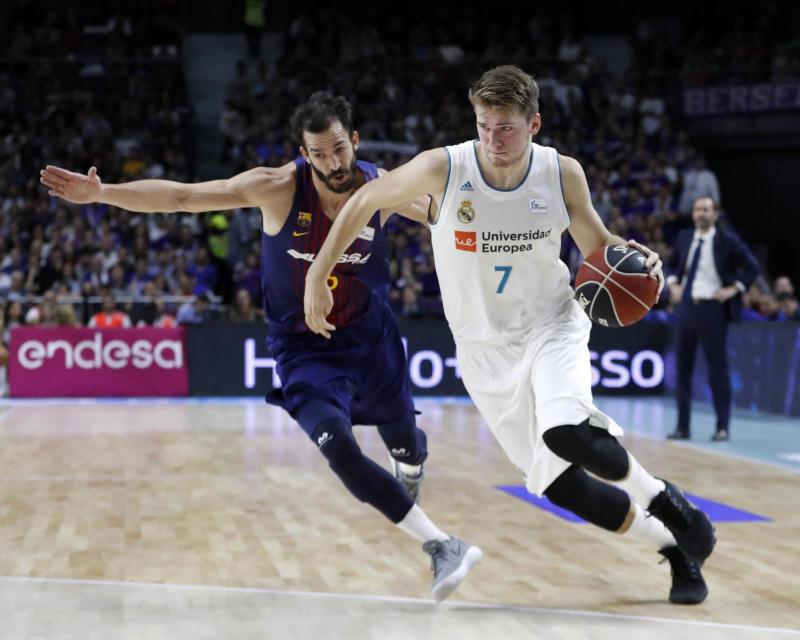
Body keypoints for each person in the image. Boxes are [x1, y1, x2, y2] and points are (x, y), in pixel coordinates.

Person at [39, 92, 481, 602]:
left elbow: (449, 218)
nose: (334, 163)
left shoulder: (381, 189)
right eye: (320, 154)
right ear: (304, 153)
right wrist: (103, 194)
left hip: (370, 337)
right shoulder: (277, 189)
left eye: (340, 148)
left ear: (354, 141)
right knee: (338, 449)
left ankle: (410, 461)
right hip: (302, 349)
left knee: (405, 441)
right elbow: (184, 197)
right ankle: (441, 546)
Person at [305, 65, 715, 605]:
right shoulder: (444, 168)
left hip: (551, 323)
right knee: (560, 486)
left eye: (506, 128)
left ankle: (663, 499)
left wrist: (633, 258)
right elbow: (363, 200)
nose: (493, 140)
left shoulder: (560, 173)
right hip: (483, 351)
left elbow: (596, 244)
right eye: (484, 126)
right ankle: (673, 547)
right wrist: (318, 272)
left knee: (566, 430)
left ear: (534, 124)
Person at [666, 197, 760, 442]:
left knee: (717, 370)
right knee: (682, 370)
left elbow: (753, 268)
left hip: (713, 309)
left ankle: (722, 427)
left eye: (706, 210)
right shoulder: (685, 237)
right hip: (686, 307)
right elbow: (672, 265)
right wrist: (673, 283)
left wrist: (734, 288)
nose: (701, 214)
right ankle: (682, 426)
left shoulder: (727, 241)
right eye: (697, 209)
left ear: (715, 214)